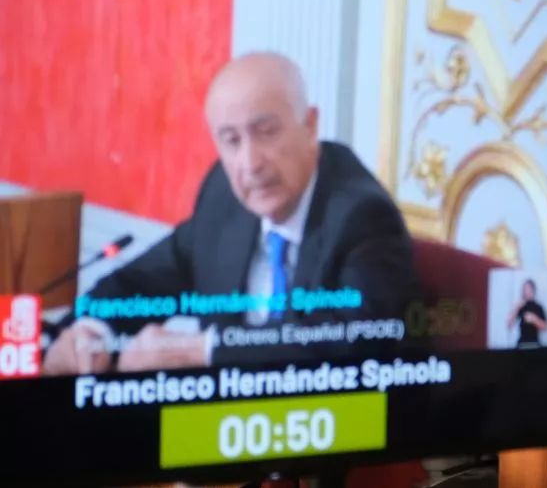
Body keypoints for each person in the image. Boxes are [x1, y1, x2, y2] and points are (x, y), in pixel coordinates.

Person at [44, 52, 421, 375]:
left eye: (267, 132)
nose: (250, 163)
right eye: (231, 140)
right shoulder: (225, 196)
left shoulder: (361, 216)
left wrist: (200, 350)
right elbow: (141, 281)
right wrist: (89, 331)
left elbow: (350, 341)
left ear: (309, 126)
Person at [507, 279, 547, 348]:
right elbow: (509, 325)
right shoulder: (520, 305)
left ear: (533, 290)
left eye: (528, 288)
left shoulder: (538, 307)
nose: (526, 291)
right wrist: (516, 309)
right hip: (521, 343)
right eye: (524, 289)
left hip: (535, 343)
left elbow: (546, 327)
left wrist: (534, 320)